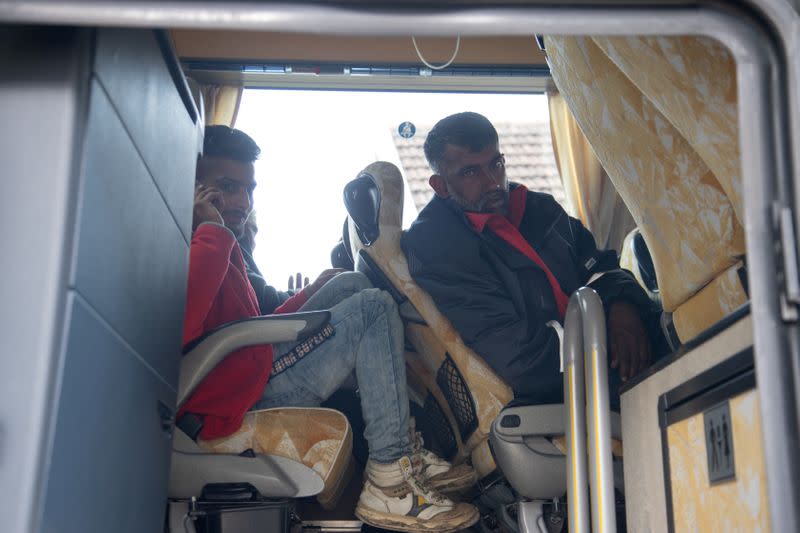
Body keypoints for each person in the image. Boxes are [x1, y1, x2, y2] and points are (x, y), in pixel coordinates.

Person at [181, 125, 478, 532]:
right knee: (373, 309)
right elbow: (181, 329)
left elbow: (248, 326)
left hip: (249, 366)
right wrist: (211, 230)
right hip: (234, 398)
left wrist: (313, 294)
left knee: (353, 285)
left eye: (249, 189)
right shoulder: (193, 239)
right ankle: (389, 481)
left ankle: (405, 451)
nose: (241, 203)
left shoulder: (225, 241)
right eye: (227, 188)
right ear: (193, 187)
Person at [402, 112, 662, 405]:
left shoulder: (539, 208)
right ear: (440, 185)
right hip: (562, 386)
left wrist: (622, 306)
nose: (492, 183)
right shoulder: (437, 247)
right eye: (471, 173)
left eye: (496, 164)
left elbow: (598, 266)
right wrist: (603, 349)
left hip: (611, 345)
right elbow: (518, 355)